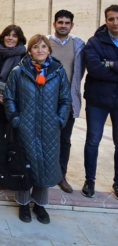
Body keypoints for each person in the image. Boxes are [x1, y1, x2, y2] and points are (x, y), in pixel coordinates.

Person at [4, 35, 71, 224]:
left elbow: (65, 100)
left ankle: (40, 206)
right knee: (25, 166)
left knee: (46, 166)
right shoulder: (19, 72)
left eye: (44, 47)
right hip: (25, 128)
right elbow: (9, 98)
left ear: (49, 50)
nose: (40, 50)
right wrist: (16, 119)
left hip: (49, 129)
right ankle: (24, 204)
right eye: (36, 47)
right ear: (30, 50)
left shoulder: (58, 72)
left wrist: (59, 120)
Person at [81, 5, 118, 199]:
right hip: (97, 99)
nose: (115, 22)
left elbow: (103, 68)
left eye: (117, 18)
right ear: (106, 20)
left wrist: (111, 64)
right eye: (111, 19)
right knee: (93, 141)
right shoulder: (94, 42)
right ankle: (90, 180)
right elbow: (94, 69)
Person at [47, 10, 85, 194]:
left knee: (64, 140)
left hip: (67, 102)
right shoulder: (44, 43)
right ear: (54, 24)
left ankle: (61, 175)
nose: (63, 25)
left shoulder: (79, 46)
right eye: (60, 22)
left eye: (66, 22)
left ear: (72, 25)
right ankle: (45, 172)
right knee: (45, 138)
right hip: (46, 101)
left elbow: (79, 72)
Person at [0, 24, 26, 184]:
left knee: (12, 142)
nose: (10, 38)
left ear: (19, 39)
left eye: (14, 36)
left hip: (15, 108)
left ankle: (10, 174)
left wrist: (9, 98)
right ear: (2, 37)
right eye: (8, 35)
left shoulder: (25, 58)